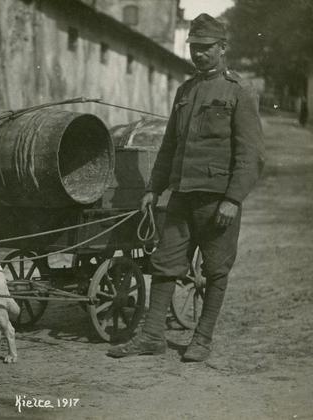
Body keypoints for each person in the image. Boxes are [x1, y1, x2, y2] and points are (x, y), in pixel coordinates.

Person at [107, 13, 265, 362]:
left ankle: (202, 339)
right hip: (181, 196)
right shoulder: (186, 90)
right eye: (194, 47)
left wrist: (233, 199)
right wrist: (153, 187)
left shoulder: (239, 91)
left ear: (222, 48)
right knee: (165, 264)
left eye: (206, 48)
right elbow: (168, 147)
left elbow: (251, 154)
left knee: (215, 269)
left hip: (217, 199)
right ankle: (150, 337)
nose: (199, 54)